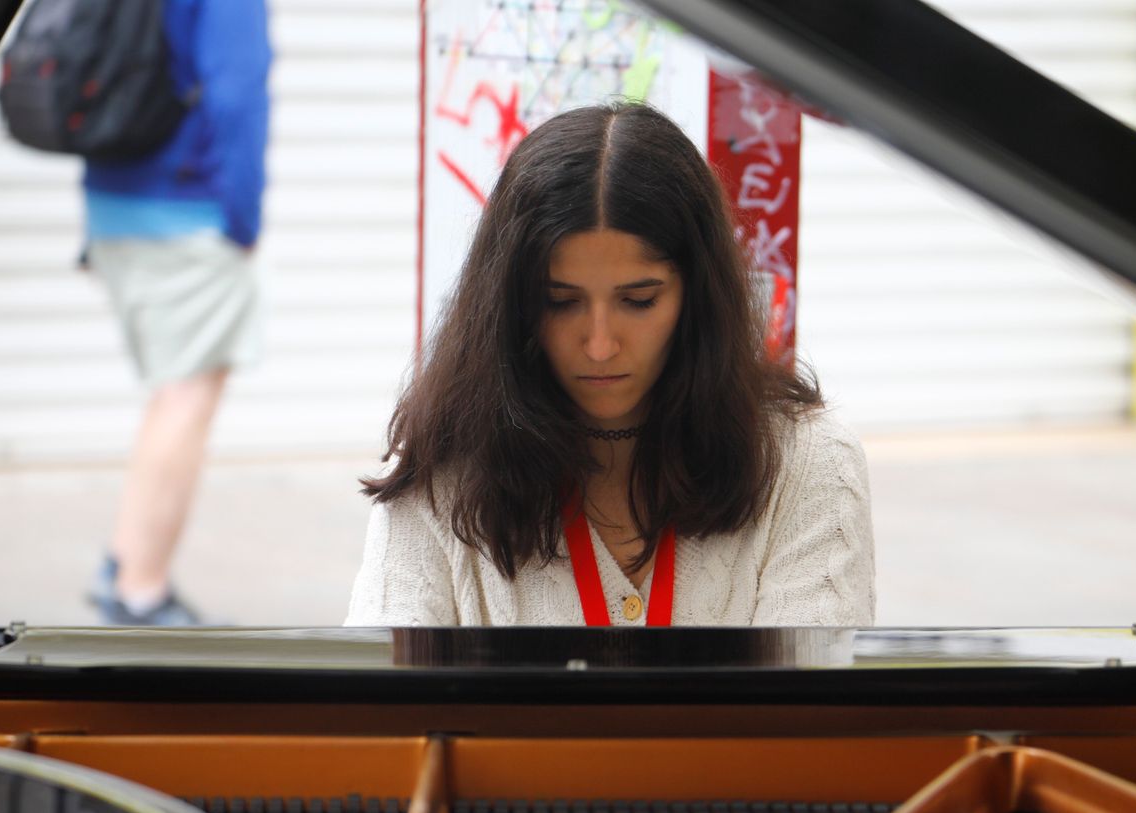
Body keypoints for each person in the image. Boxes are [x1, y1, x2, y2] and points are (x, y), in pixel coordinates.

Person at [346, 102, 874, 627]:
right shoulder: (436, 473)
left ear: (699, 297)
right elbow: (381, 705)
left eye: (639, 301)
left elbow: (803, 707)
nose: (599, 345)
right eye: (560, 300)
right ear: (509, 305)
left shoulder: (808, 462)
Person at [83, 0, 272, 625]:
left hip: (112, 199)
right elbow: (238, 89)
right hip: (186, 209)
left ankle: (124, 560)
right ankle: (141, 590)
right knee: (188, 396)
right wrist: (242, 221)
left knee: (172, 392)